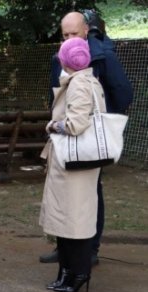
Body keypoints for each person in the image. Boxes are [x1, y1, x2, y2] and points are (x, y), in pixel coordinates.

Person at [39, 10, 133, 265]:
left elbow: (124, 93)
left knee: (89, 194)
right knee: (64, 195)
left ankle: (89, 251)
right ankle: (65, 249)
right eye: (64, 34)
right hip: (63, 135)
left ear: (86, 31)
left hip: (87, 140)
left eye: (73, 33)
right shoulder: (60, 56)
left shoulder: (103, 56)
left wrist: (99, 119)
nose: (68, 38)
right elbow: (55, 93)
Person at [41, 37, 103, 292]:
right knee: (73, 219)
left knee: (73, 220)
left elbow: (75, 124)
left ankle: (75, 274)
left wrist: (53, 125)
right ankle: (68, 272)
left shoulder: (78, 84)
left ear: (66, 59)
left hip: (72, 161)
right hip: (81, 161)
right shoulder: (90, 81)